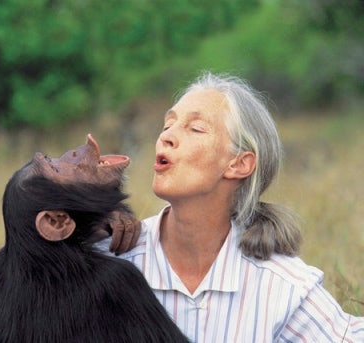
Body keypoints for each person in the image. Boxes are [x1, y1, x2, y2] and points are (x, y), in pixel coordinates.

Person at [98, 71, 363, 342]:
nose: (166, 137)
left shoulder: (283, 287)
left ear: (239, 164)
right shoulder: (109, 260)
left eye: (195, 129)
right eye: (167, 125)